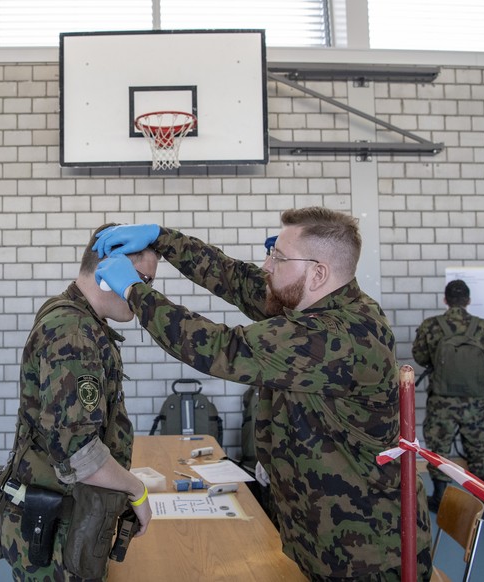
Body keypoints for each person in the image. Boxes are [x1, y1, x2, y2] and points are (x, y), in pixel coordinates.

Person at [92, 208, 433, 581]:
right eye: (271, 250)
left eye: (278, 256)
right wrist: (162, 237)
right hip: (321, 537)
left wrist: (134, 291)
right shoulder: (313, 304)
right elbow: (235, 279)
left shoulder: (341, 336)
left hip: (363, 552)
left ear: (318, 272)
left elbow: (222, 348)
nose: (267, 265)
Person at [0, 225, 155, 581]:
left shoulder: (77, 318)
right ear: (109, 272)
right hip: (57, 528)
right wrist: (137, 490)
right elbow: (79, 454)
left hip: (67, 516)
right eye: (143, 280)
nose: (146, 293)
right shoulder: (74, 333)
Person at [412, 280, 484, 513]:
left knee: (439, 447)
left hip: (442, 401)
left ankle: (441, 495)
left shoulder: (432, 325)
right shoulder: (483, 327)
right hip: (475, 401)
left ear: (445, 300)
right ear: (468, 301)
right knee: (480, 447)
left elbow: (421, 357)